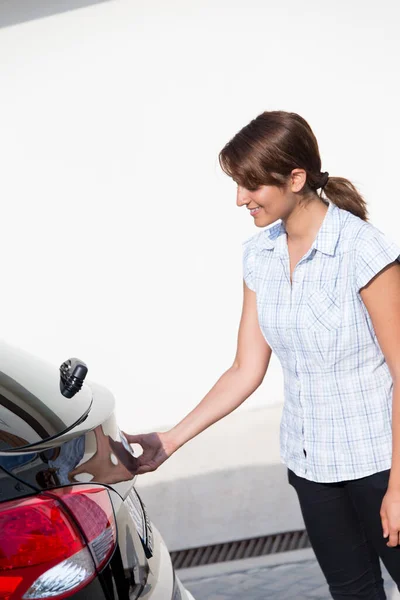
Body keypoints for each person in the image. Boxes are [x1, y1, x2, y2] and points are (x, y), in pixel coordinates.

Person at [124, 111, 400, 599]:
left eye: (251, 185)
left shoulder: (363, 251)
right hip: (311, 465)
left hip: (380, 462)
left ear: (296, 179)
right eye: (236, 184)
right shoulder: (260, 255)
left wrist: (399, 484)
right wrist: (168, 441)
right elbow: (245, 369)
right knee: (353, 594)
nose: (239, 199)